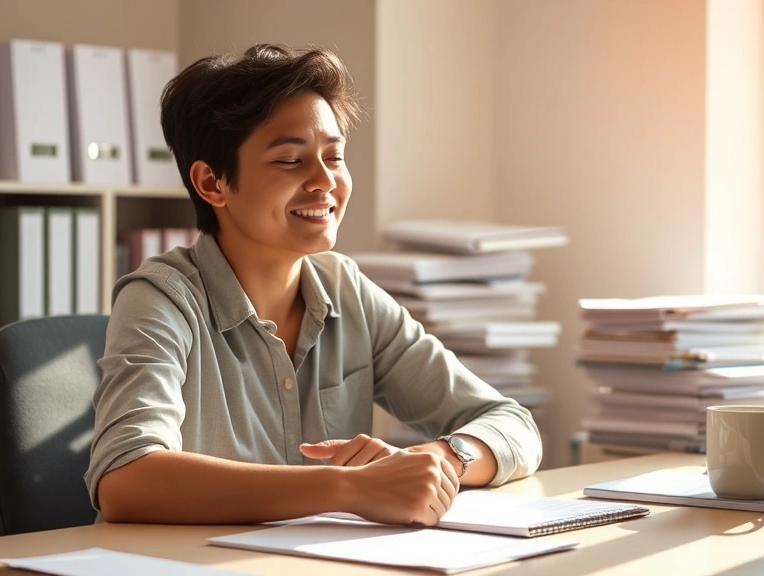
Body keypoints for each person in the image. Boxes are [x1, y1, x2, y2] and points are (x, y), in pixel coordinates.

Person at [86, 43, 542, 527]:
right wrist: (348, 488)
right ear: (212, 183)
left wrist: (444, 460)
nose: (325, 181)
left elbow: (513, 424)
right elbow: (126, 477)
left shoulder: (346, 289)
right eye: (290, 161)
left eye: (334, 156)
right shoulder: (160, 300)